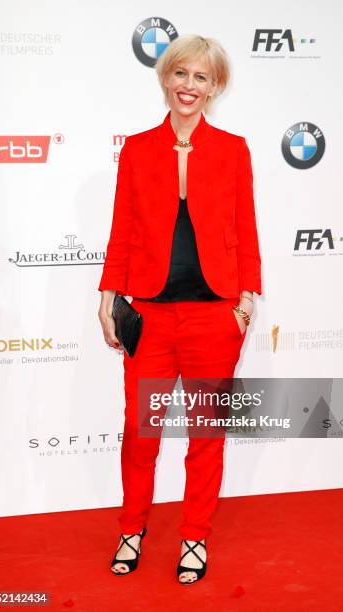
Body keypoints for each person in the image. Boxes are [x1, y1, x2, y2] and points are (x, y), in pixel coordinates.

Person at [97, 33, 262, 585]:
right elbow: (123, 228)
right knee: (140, 434)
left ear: (215, 87)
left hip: (214, 317)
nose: (189, 87)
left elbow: (246, 230)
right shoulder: (139, 149)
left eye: (202, 78)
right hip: (149, 314)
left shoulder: (234, 149)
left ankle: (195, 536)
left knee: (205, 435)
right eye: (181, 74)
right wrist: (107, 297)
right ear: (165, 78)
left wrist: (246, 300)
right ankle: (131, 527)